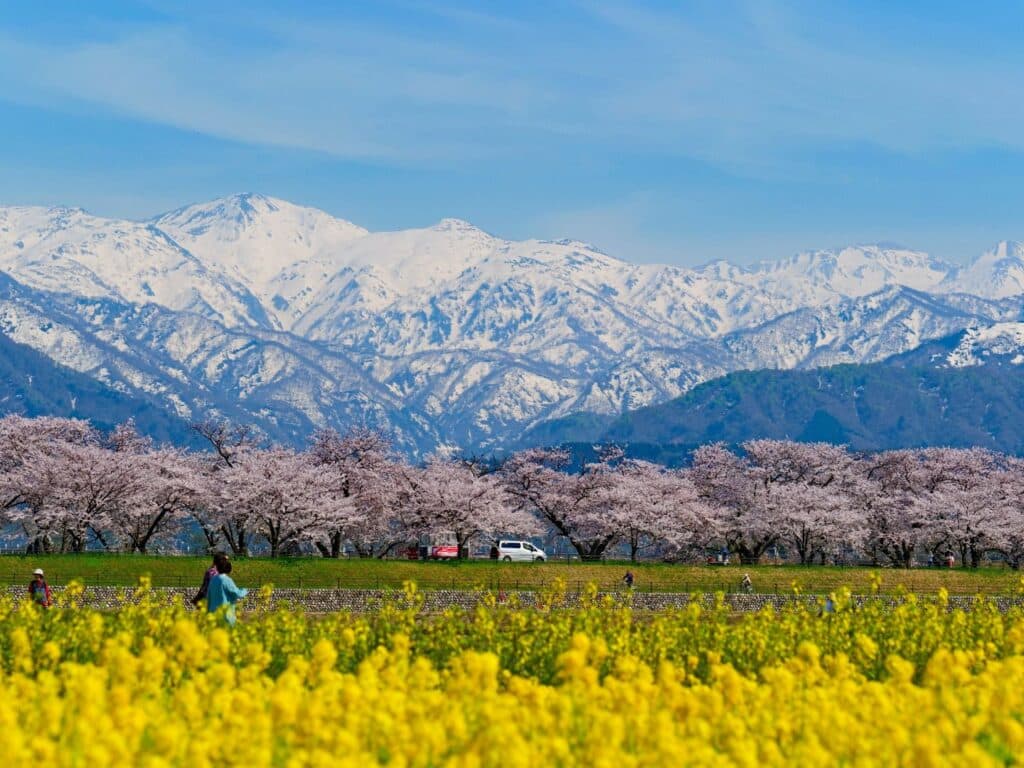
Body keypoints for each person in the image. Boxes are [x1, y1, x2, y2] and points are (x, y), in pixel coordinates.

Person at [206, 560, 248, 626]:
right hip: (225, 615)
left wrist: (207, 613)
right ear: (228, 569)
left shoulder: (213, 580)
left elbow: (209, 597)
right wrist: (245, 590)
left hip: (213, 615)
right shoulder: (226, 580)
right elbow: (236, 593)